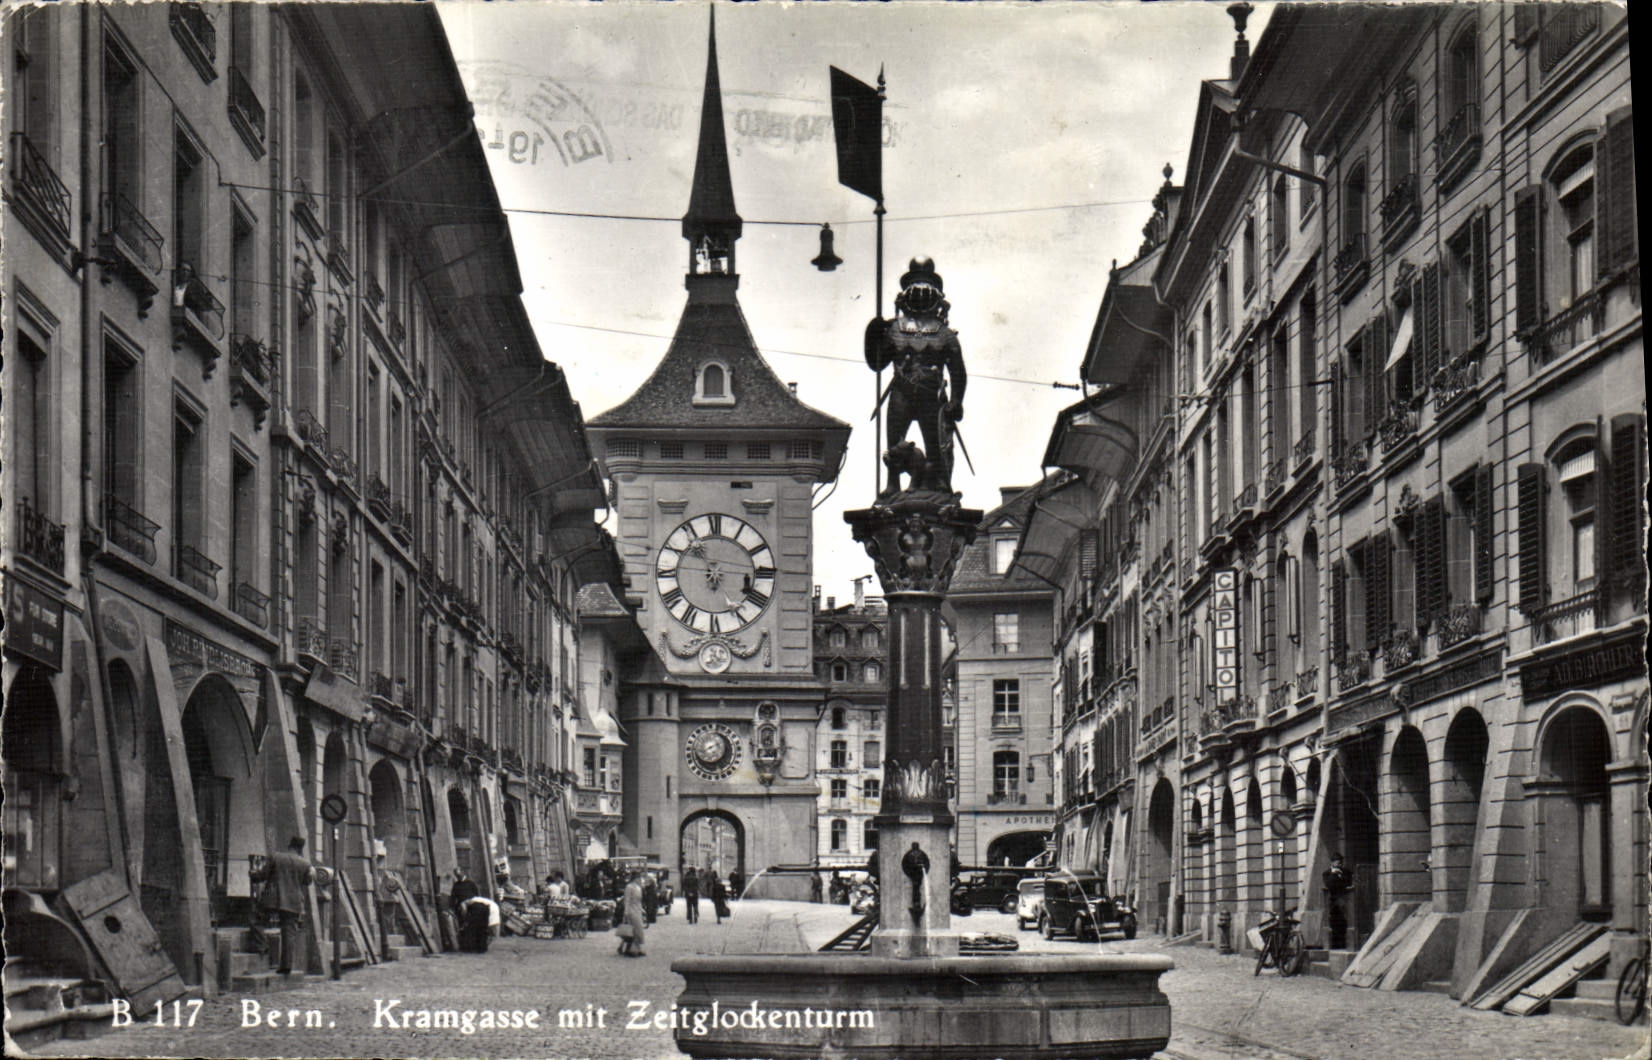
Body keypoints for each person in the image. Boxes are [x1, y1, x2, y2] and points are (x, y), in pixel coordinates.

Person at [251, 836, 313, 975]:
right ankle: (286, 966)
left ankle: (262, 946)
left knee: (257, 919)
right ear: (300, 849)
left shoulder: (276, 857)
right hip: (293, 901)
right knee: (288, 932)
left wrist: (253, 875)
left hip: (272, 898)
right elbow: (307, 882)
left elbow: (262, 875)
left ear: (289, 845)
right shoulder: (305, 863)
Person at [374, 853, 406, 955]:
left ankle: (390, 933)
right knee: (388, 919)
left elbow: (392, 887)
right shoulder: (381, 875)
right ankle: (390, 932)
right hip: (385, 900)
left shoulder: (385, 876)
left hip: (388, 900)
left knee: (388, 919)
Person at [1322, 852, 1354, 949]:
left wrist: (1340, 876)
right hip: (1333, 901)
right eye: (1337, 862)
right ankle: (1335, 945)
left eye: (1340, 862)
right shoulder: (1327, 873)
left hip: (1346, 900)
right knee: (1335, 922)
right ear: (1332, 863)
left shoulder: (1346, 872)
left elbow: (1349, 882)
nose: (1339, 864)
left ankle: (1344, 943)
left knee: (1345, 922)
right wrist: (1334, 874)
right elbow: (1329, 885)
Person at [618, 873, 647, 957]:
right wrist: (626, 912)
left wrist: (642, 910)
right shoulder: (629, 887)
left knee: (636, 930)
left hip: (638, 910)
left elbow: (639, 901)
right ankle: (634, 949)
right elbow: (626, 900)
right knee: (634, 930)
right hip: (631, 910)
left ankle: (630, 948)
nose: (640, 880)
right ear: (635, 878)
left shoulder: (638, 888)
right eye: (639, 878)